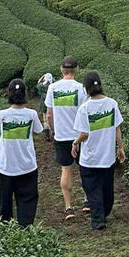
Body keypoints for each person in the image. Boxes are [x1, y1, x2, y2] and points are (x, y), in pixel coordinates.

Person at [72, 70, 124, 231]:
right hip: (107, 155)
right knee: (107, 186)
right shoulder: (112, 103)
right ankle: (104, 211)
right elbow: (117, 128)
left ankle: (98, 220)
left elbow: (84, 134)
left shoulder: (85, 108)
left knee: (92, 188)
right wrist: (120, 147)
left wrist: (75, 143)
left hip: (90, 157)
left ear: (85, 88)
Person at [0, 77, 44, 227]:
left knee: (5, 200)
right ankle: (25, 226)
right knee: (27, 198)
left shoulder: (2, 115)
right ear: (24, 94)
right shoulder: (31, 114)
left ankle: (6, 227)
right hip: (26, 164)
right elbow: (39, 130)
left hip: (6, 165)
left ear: (9, 94)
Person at [44, 56, 88, 222]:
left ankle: (69, 207)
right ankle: (87, 201)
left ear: (62, 70)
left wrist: (54, 130)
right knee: (85, 168)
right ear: (76, 70)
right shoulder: (81, 88)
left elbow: (49, 114)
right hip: (80, 135)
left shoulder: (53, 88)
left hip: (62, 136)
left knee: (66, 169)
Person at [35, 70, 55, 139]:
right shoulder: (53, 86)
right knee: (52, 118)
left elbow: (38, 84)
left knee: (45, 119)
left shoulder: (41, 86)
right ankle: (52, 131)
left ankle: (47, 134)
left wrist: (42, 77)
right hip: (52, 104)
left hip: (44, 104)